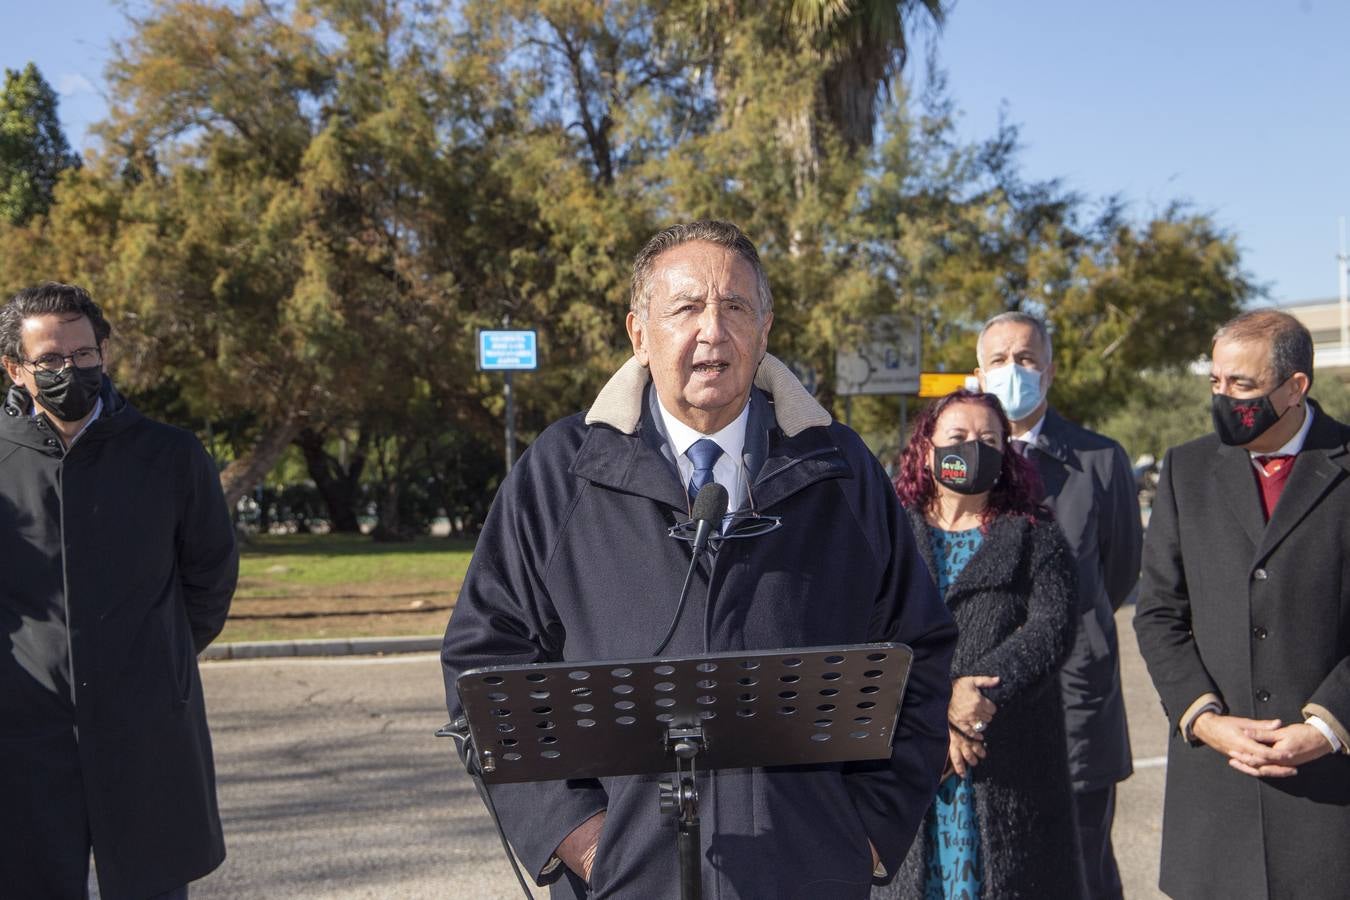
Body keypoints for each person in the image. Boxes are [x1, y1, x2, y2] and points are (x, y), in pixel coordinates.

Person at [441, 220, 957, 899]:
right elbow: (487, 662)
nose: (713, 330)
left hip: (807, 876)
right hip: (627, 881)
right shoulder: (561, 474)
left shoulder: (841, 469)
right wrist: (583, 837)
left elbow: (918, 651)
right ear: (639, 334)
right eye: (686, 308)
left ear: (764, 331)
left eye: (735, 307)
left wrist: (863, 833)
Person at [0, 283, 238, 899]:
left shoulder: (171, 454)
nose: (69, 371)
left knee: (150, 884)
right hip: (23, 734)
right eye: (50, 360)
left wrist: (160, 655)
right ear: (15, 369)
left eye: (83, 354)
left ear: (103, 352)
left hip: (146, 725)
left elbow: (209, 576)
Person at [1134, 309, 1350, 899]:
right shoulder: (1187, 468)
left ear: (1295, 387)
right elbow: (1158, 611)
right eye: (1216, 382)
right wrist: (1204, 719)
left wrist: (1328, 727)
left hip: (1331, 797)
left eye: (1243, 386)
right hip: (1217, 796)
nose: (1224, 397)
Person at [876, 389, 1084, 900]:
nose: (973, 448)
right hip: (905, 760)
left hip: (1007, 762)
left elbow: (1050, 631)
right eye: (958, 437)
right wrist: (939, 706)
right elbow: (864, 632)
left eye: (989, 439)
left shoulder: (1036, 534)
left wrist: (979, 695)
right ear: (927, 449)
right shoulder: (885, 535)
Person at [973, 310, 1141, 899]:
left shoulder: (1099, 460)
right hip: (986, 703)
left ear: (1049, 370)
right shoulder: (956, 466)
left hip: (1075, 703)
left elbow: (1117, 572)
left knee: (1083, 870)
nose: (1012, 371)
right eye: (998, 360)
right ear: (978, 371)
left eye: (1025, 359)